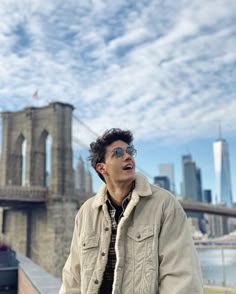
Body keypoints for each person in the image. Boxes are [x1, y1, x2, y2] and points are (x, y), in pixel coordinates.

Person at [59, 128, 203, 294]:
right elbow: (73, 278)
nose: (128, 156)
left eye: (130, 151)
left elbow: (182, 279)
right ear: (101, 168)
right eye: (118, 153)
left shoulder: (165, 205)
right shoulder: (86, 212)